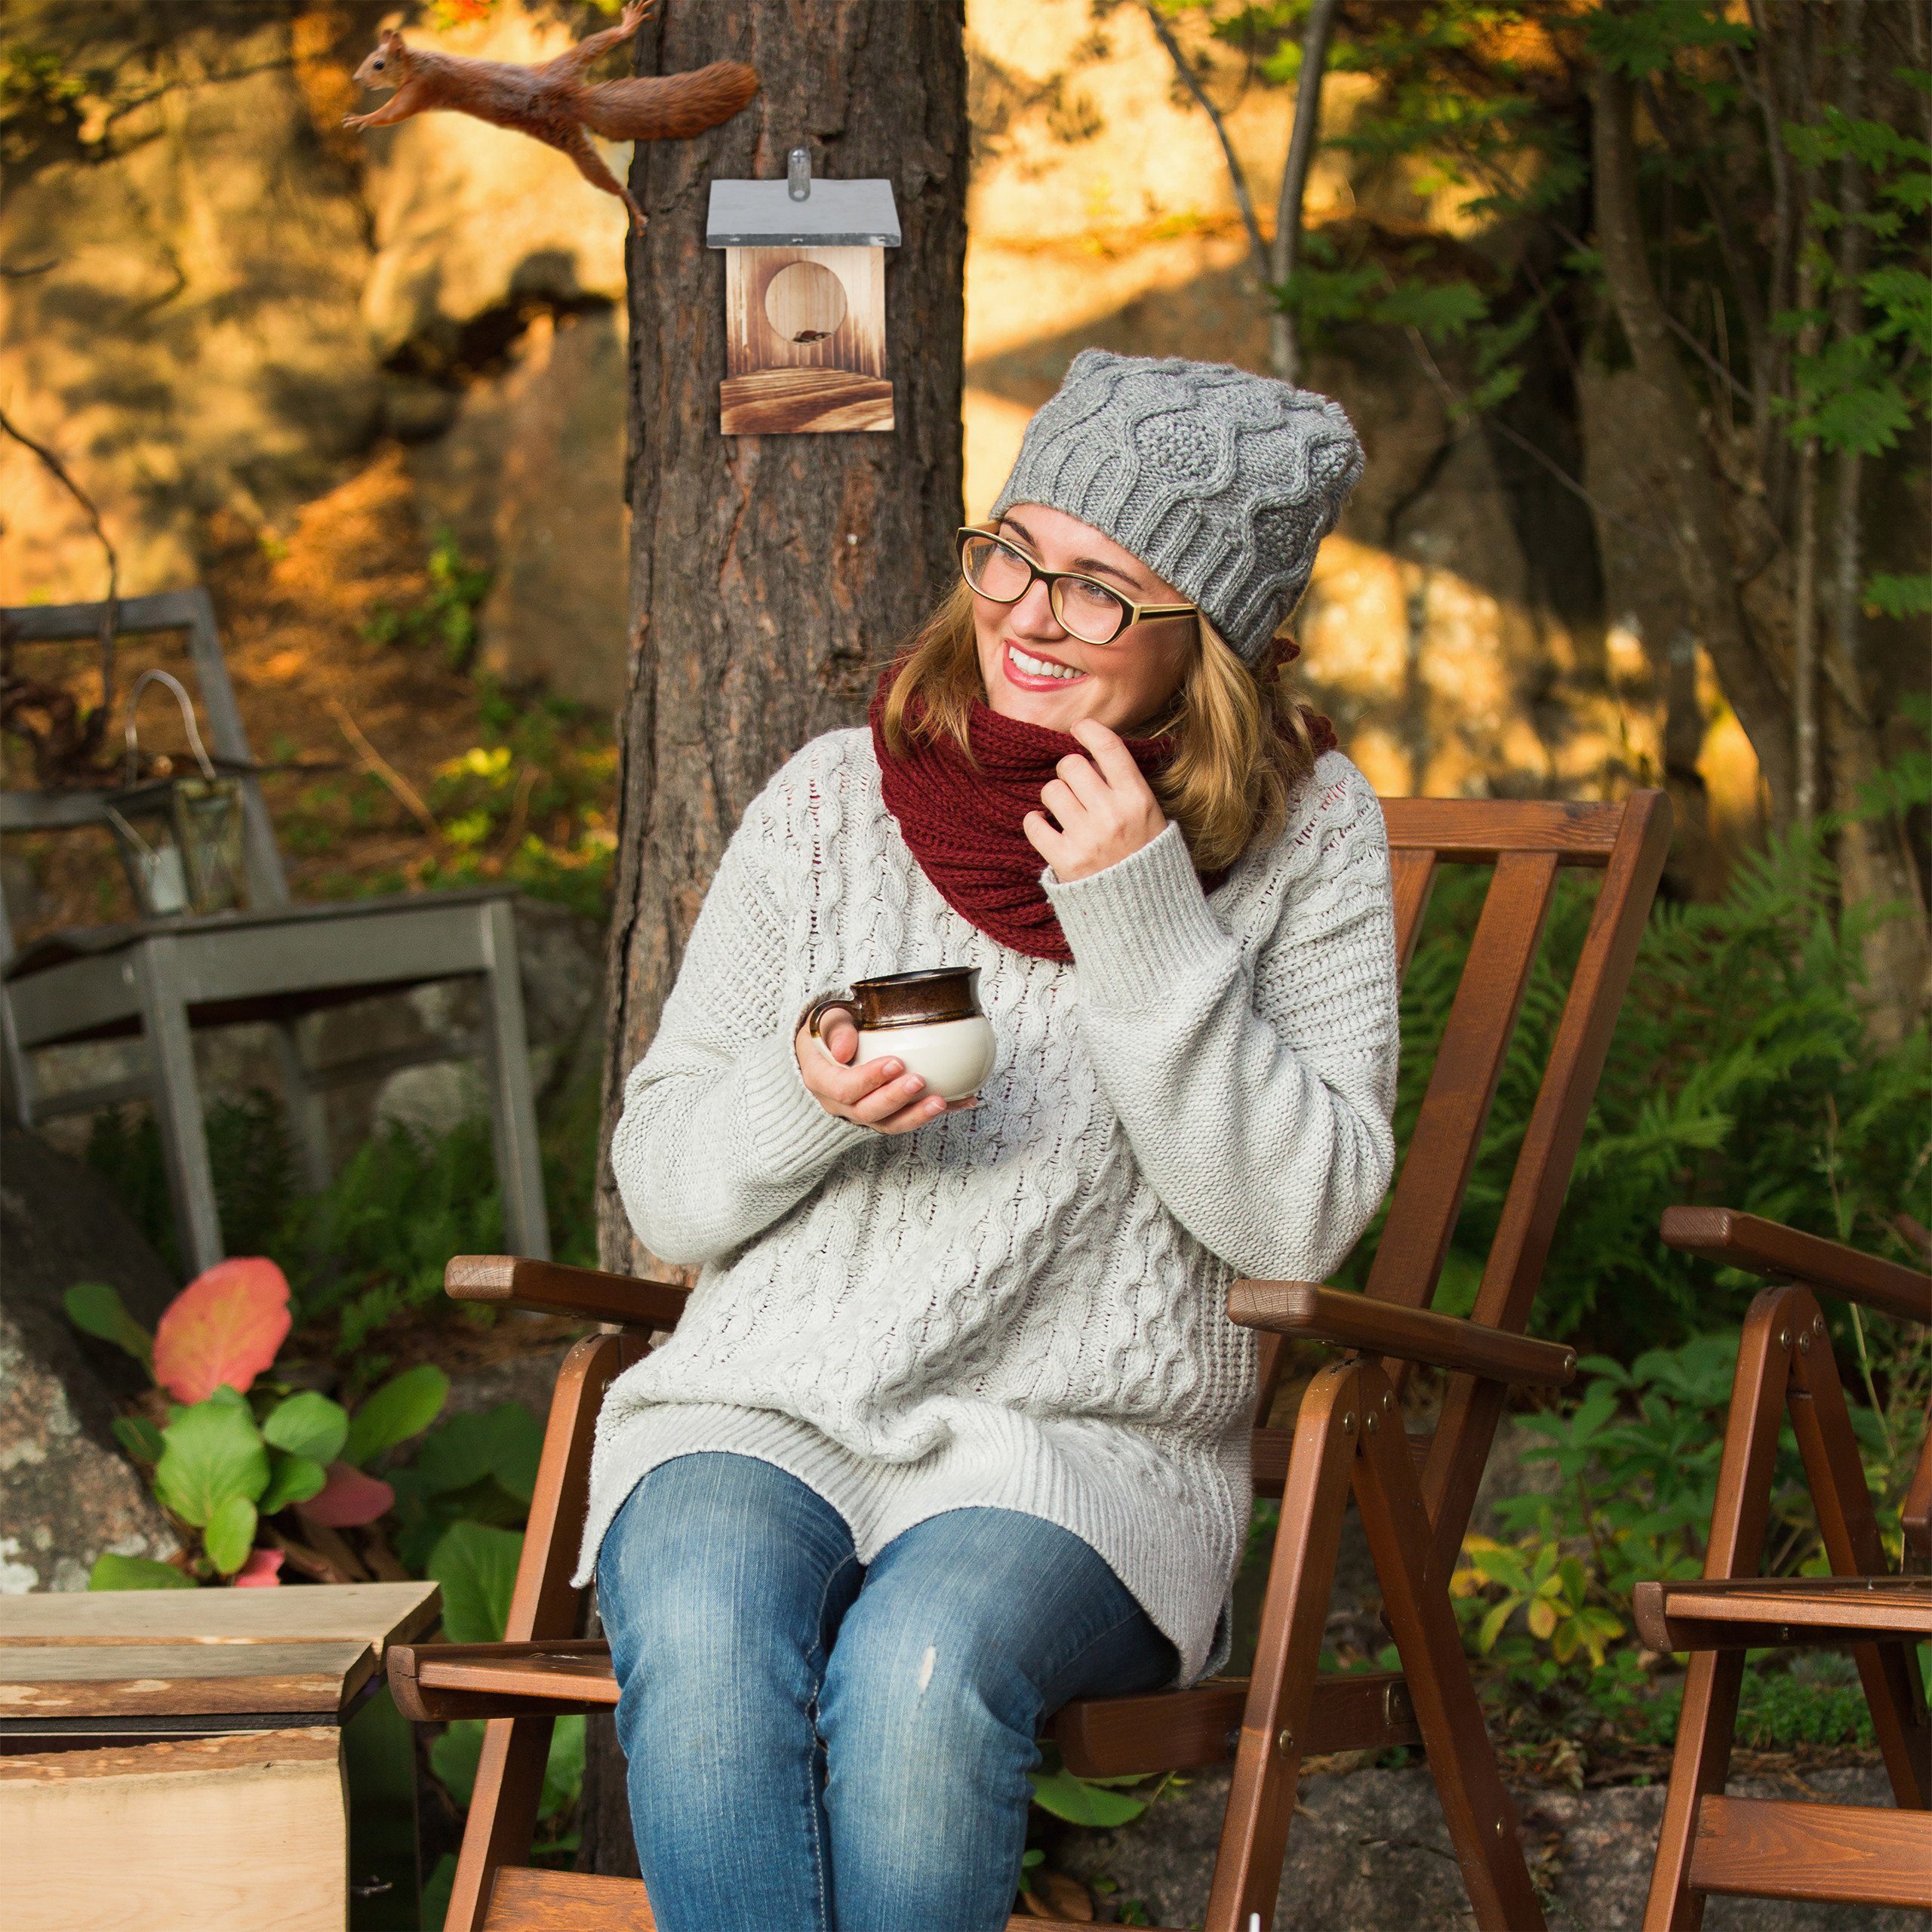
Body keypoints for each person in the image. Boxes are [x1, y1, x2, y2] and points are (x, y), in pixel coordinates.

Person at [580, 349, 1402, 1931]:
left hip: (1082, 1448)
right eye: (1013, 553)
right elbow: (666, 1185)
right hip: (767, 1401)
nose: (1027, 612)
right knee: (694, 1611)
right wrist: (800, 1100)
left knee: (918, 1671)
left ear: (1206, 642)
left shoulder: (1305, 839)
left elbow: (1295, 1223)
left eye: (1100, 589)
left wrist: (1140, 910)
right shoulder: (834, 798)